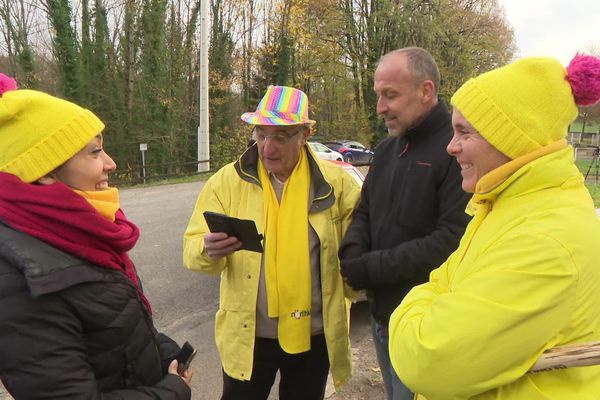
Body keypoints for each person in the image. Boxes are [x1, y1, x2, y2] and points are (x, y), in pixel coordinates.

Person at [388, 54, 600, 399]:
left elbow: (429, 359)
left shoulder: (545, 239)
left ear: (512, 140)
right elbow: (443, 281)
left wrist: (414, 310)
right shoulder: (508, 206)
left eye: (464, 132)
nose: (450, 146)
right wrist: (435, 300)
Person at [0, 73, 192, 399]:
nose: (111, 163)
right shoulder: (18, 278)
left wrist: (162, 351)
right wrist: (172, 393)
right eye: (94, 152)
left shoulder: (78, 232)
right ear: (44, 170)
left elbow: (113, 326)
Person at [183, 85, 361, 400]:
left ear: (304, 135)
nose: (267, 148)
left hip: (313, 334)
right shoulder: (227, 182)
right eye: (261, 135)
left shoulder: (337, 184)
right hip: (249, 336)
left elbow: (360, 249)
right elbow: (192, 248)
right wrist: (207, 250)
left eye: (281, 136)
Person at [338, 47, 471, 400]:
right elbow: (364, 211)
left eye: (390, 95)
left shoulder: (457, 152)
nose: (380, 107)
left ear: (425, 91)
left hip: (427, 329)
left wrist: (370, 269)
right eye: (379, 95)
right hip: (384, 321)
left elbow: (452, 241)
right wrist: (351, 254)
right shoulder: (385, 150)